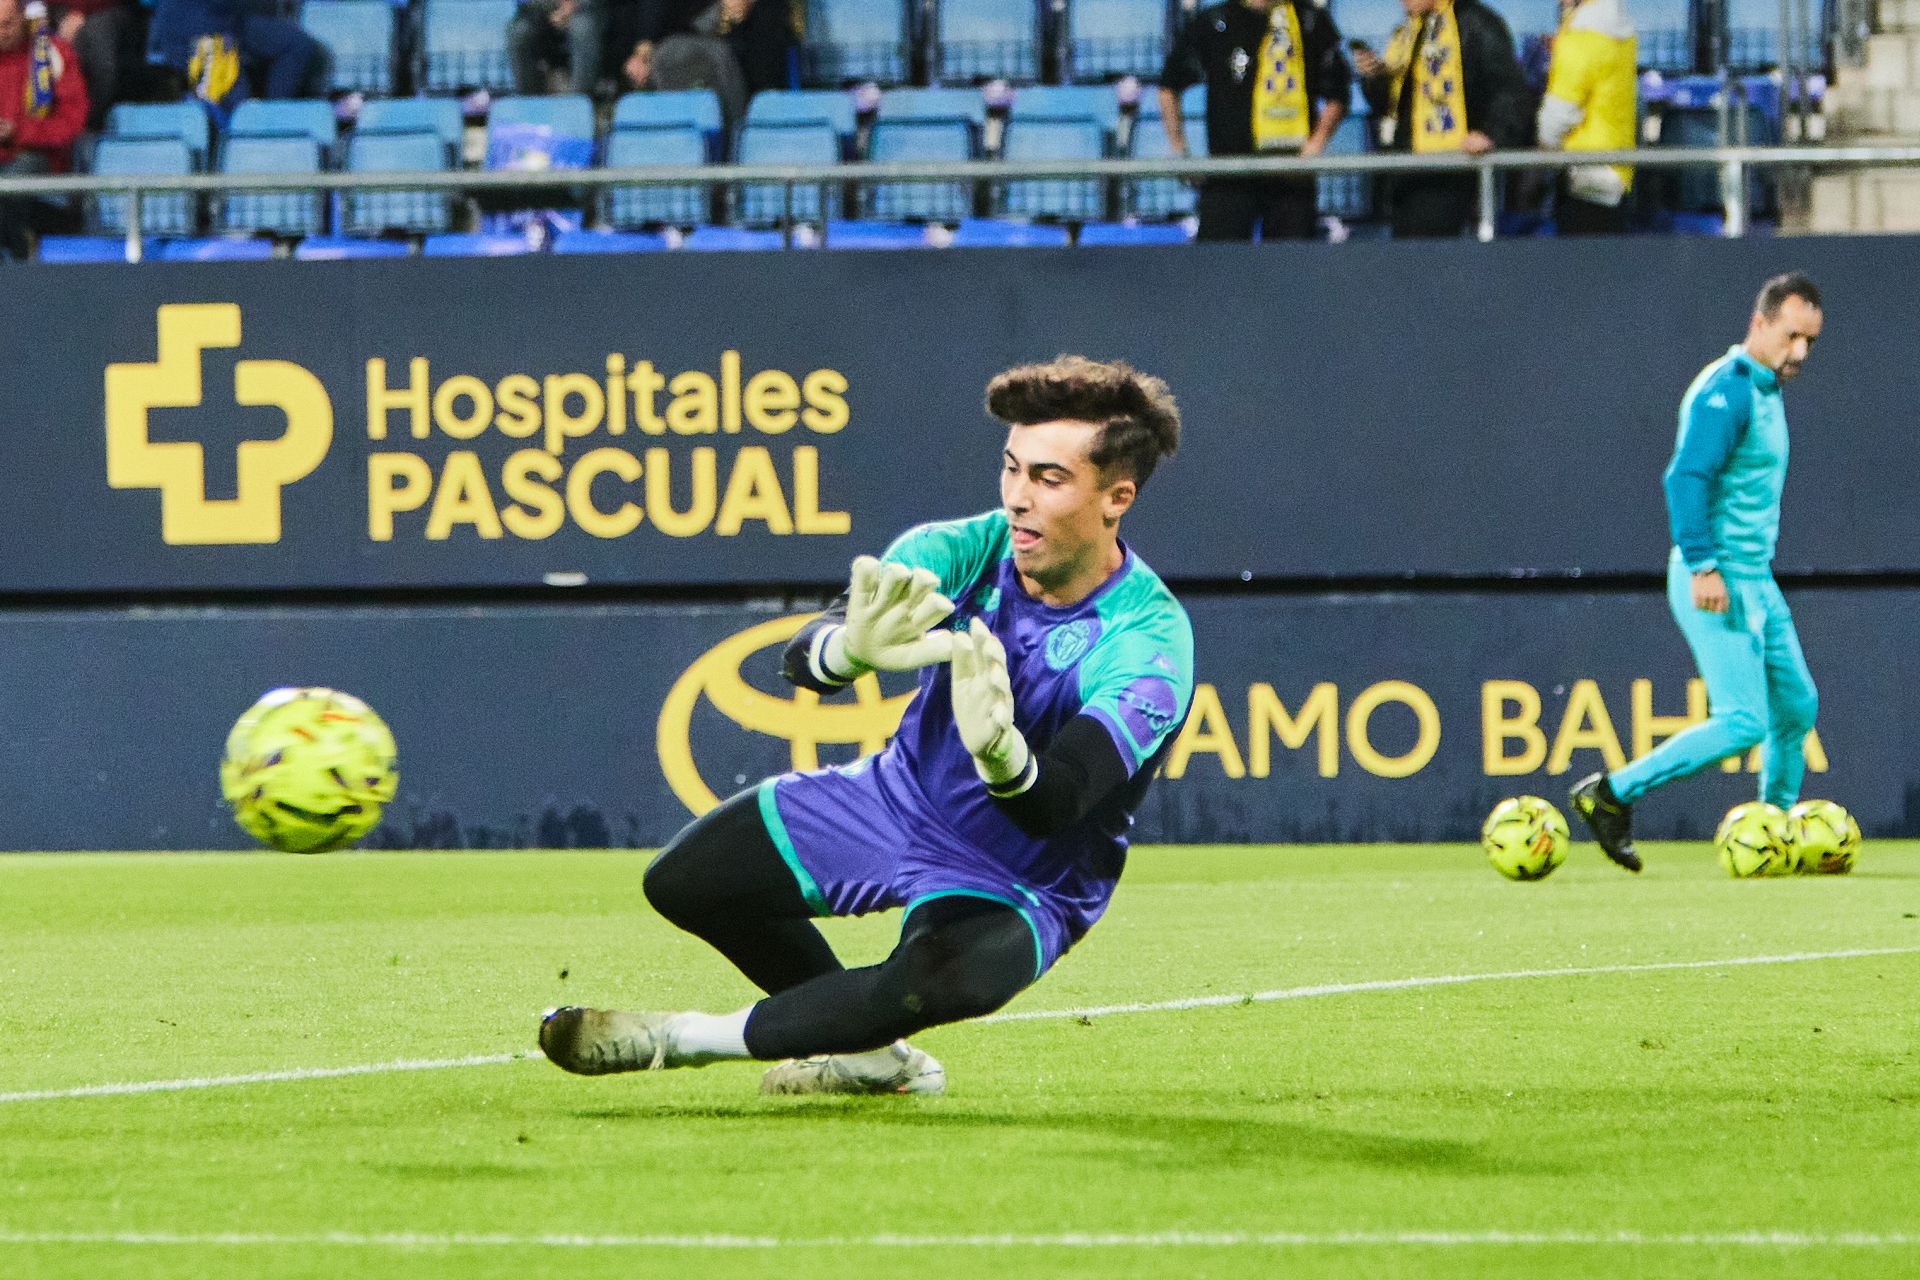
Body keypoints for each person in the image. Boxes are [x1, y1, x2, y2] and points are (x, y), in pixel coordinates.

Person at [540, 356, 1194, 1096]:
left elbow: (1056, 805)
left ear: (1116, 497)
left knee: (930, 979)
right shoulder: (960, 550)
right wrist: (846, 650)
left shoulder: (1149, 643)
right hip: (894, 798)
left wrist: (1001, 755)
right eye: (1011, 469)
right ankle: (873, 1058)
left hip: (1020, 879)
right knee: (685, 883)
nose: (1017, 498)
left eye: (1049, 479)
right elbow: (804, 659)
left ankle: (674, 1039)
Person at [1570, 273, 1825, 872]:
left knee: (1796, 707)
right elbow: (1685, 478)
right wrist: (1704, 565)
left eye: (1810, 341)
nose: (1800, 352)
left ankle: (1775, 826)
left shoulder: (1763, 389)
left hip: (1756, 577)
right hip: (1717, 576)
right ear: (1759, 323)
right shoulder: (1728, 390)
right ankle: (1610, 793)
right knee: (1743, 722)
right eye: (1791, 336)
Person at [1157, 0, 1351, 241]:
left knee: (1291, 261)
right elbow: (1169, 85)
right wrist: (1179, 150)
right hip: (1228, 173)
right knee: (1218, 260)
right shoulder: (1215, 21)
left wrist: (1316, 144)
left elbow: (1338, 94)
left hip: (1291, 174)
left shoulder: (1310, 20)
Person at [1353, 0, 1529, 237]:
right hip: (1407, 169)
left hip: (1453, 167)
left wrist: (1492, 135)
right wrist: (1373, 77)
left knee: (1437, 247)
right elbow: (1394, 103)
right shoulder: (1408, 30)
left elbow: (1509, 90)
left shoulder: (1476, 22)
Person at [1536, 0, 1636, 235]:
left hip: (1582, 173)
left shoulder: (1580, 35)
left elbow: (1560, 111)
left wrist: (1544, 146)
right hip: (1617, 170)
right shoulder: (1619, 30)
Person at [0, 0, 87, 261]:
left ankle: (17, 258)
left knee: (10, 184)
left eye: (7, 24)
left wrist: (19, 132)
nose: (1, 32)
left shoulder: (50, 53)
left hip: (39, 157)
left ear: (22, 16)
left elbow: (72, 121)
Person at [148, 0, 323, 117]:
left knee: (294, 43)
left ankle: (273, 116)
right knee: (238, 111)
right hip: (192, 32)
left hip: (231, 19)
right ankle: (250, 137)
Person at [507, 0, 606, 95]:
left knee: (583, 28)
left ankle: (580, 98)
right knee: (519, 32)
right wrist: (551, 6)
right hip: (542, 10)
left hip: (587, 10)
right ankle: (528, 99)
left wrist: (574, 4)